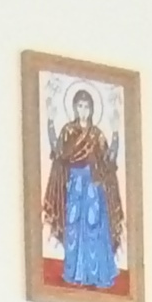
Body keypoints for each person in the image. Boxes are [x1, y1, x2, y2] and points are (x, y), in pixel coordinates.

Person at [40, 86, 124, 291]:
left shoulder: (97, 135)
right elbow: (58, 151)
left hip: (93, 186)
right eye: (80, 106)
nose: (83, 110)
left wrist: (115, 133)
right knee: (73, 225)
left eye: (87, 106)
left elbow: (109, 160)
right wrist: (50, 121)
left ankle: (94, 273)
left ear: (92, 109)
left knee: (93, 225)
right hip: (75, 185)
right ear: (75, 108)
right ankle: (74, 272)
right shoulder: (69, 131)